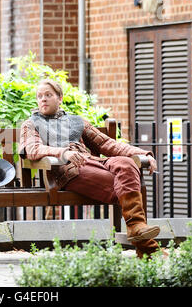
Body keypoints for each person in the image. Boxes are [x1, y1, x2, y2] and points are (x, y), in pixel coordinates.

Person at [19, 79, 161, 258]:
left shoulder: (76, 121)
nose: (43, 100)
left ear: (60, 98)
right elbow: (33, 150)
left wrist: (143, 154)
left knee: (127, 164)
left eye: (48, 95)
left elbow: (107, 144)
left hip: (91, 161)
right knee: (126, 184)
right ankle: (147, 246)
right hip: (69, 170)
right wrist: (62, 153)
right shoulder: (31, 124)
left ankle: (137, 230)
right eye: (39, 96)